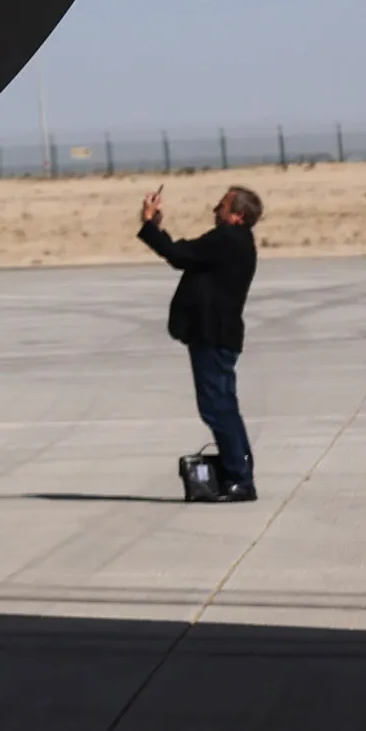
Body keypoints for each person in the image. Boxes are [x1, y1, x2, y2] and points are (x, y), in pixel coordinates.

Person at [139, 182, 263, 502]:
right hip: (218, 335)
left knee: (217, 408)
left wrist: (149, 225)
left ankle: (240, 477)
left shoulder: (228, 238)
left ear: (237, 216)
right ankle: (239, 474)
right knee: (224, 407)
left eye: (222, 206)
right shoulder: (236, 241)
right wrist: (156, 229)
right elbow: (189, 258)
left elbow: (179, 255)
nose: (215, 210)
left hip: (213, 336)